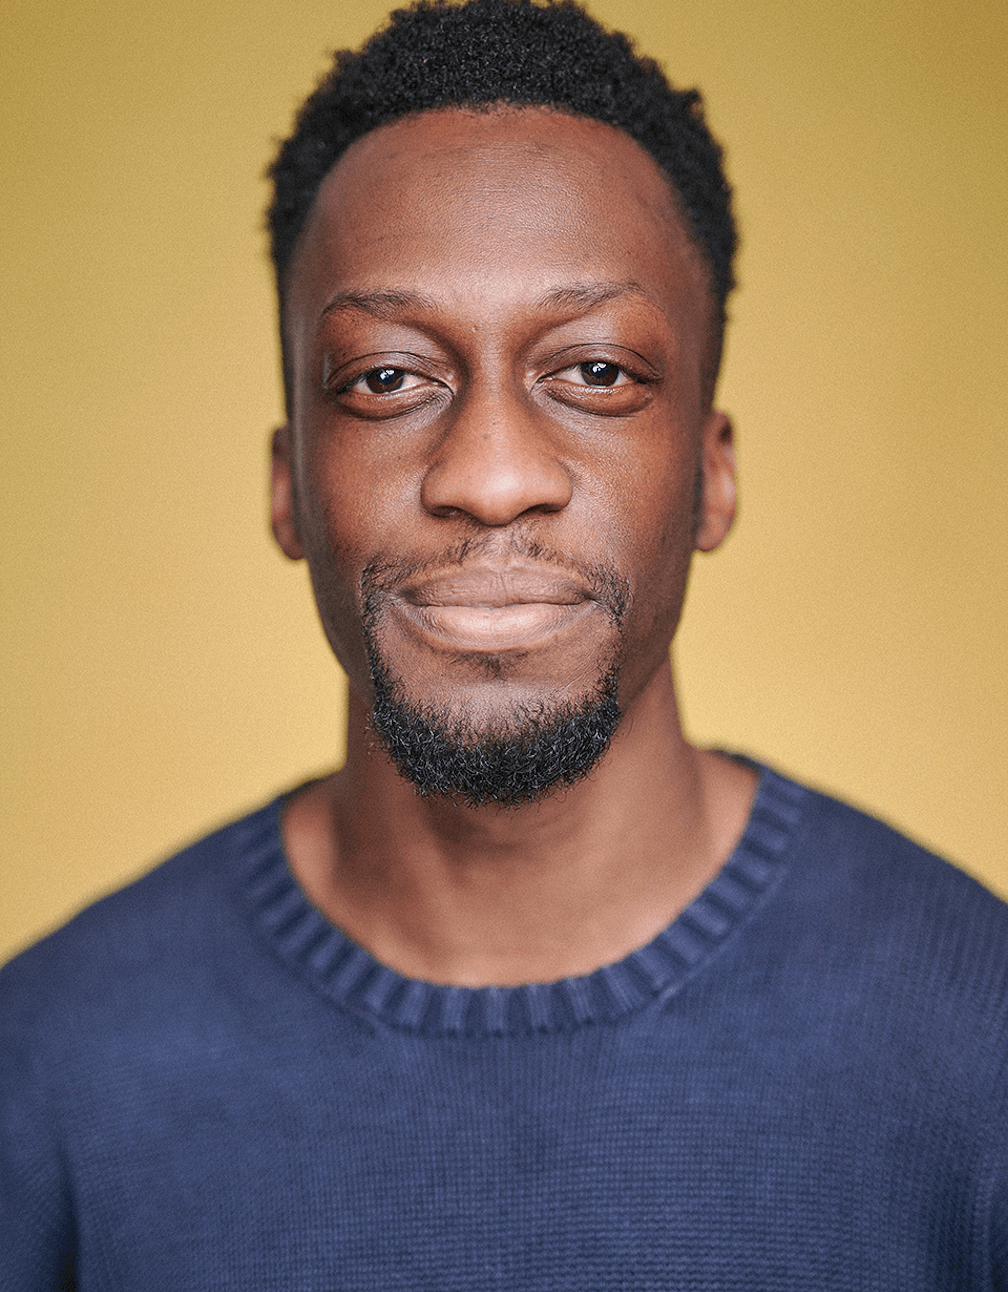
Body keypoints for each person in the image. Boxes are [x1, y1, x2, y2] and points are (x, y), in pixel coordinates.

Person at [2, 0, 1006, 1286]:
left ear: (712, 473)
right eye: (387, 378)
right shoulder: (48, 1071)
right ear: (287, 484)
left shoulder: (975, 1040)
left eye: (596, 373)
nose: (487, 475)